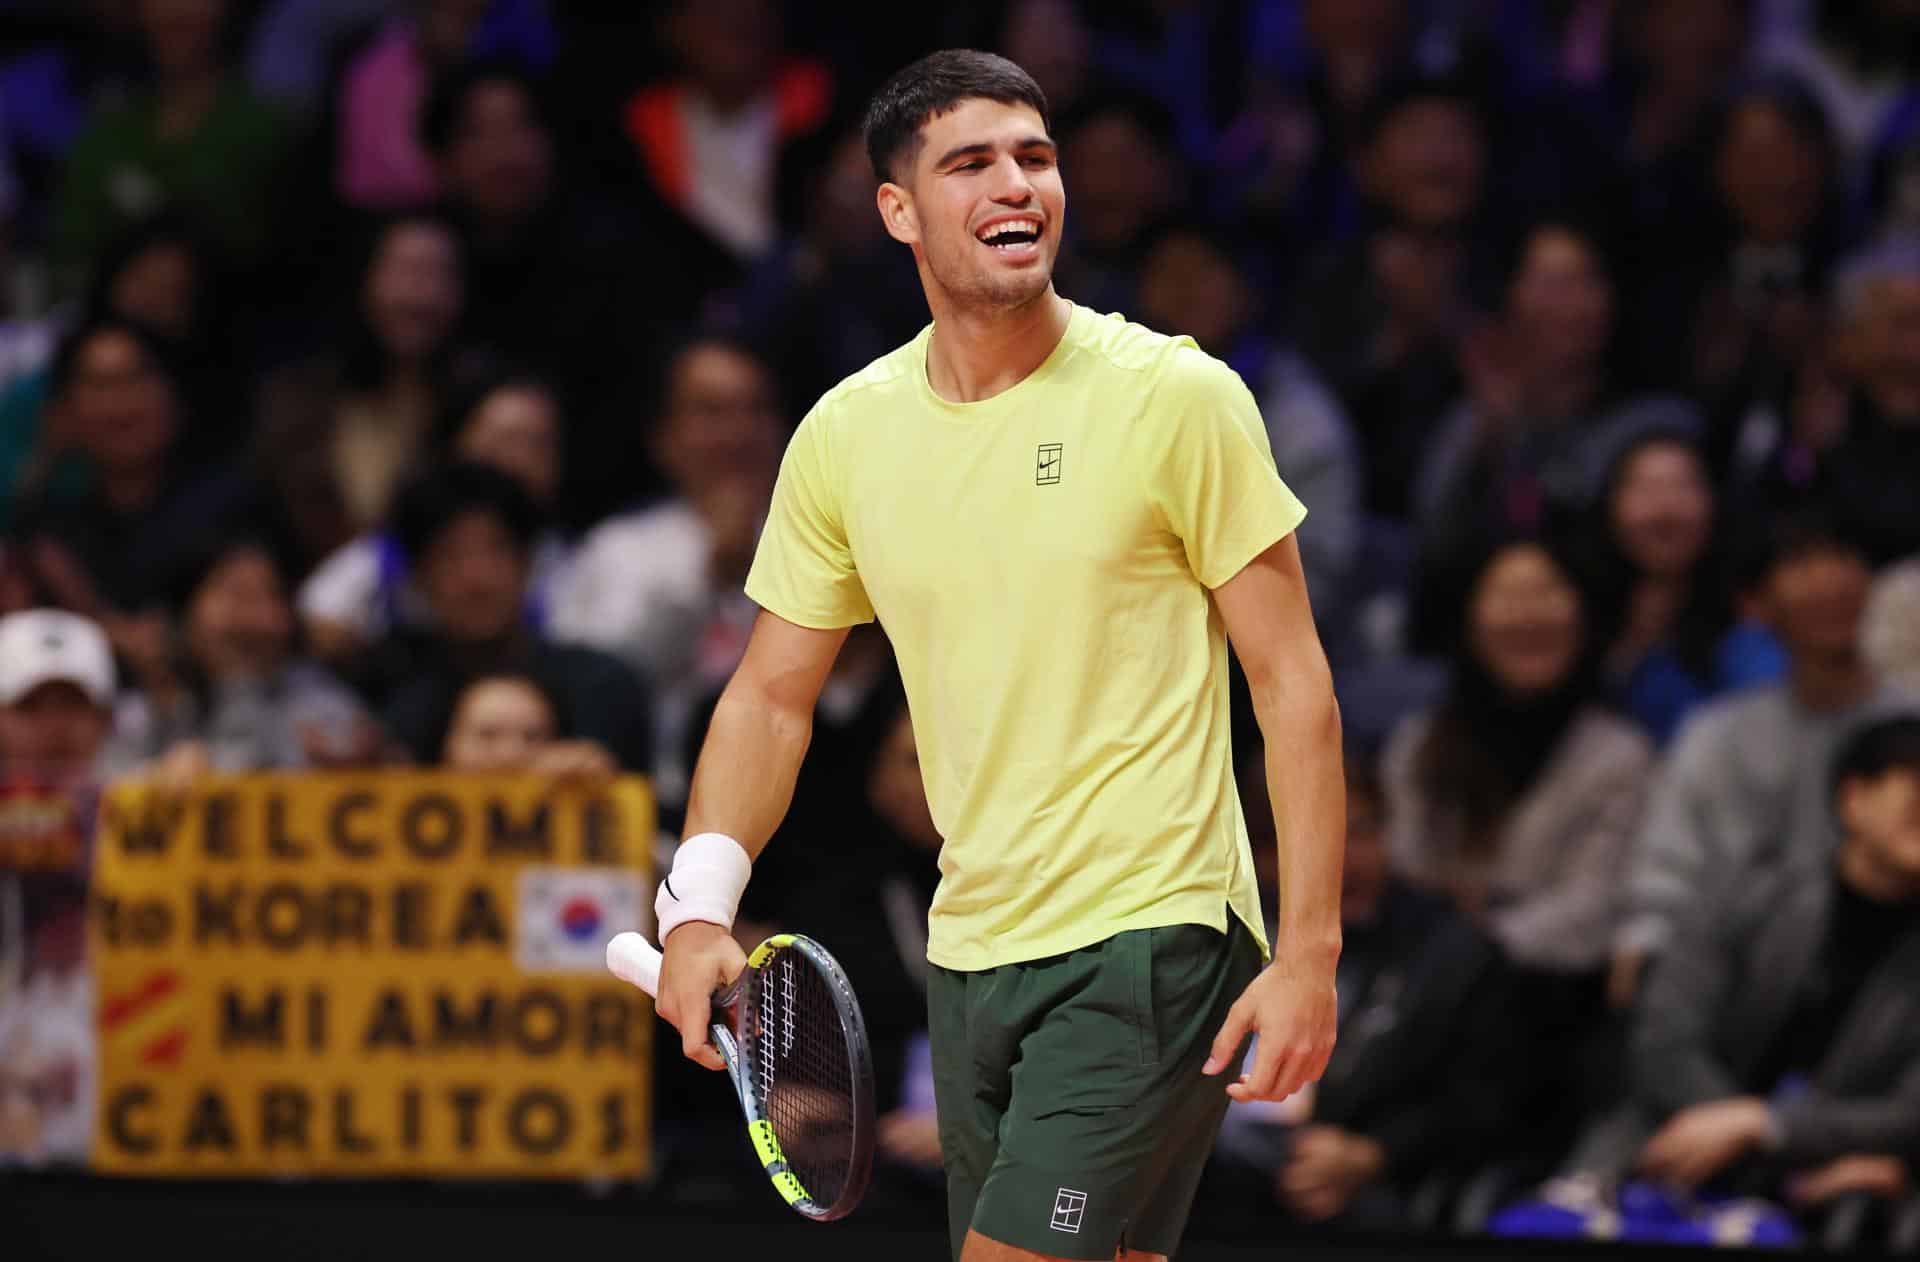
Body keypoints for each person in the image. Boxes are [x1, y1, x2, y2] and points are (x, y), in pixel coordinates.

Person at [640, 51, 1344, 1262]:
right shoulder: (847, 434)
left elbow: (1293, 682)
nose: (1019, 183)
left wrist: (1310, 952)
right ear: (899, 210)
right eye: (973, 162)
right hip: (972, 953)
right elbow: (769, 694)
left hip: (1154, 933)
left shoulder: (1177, 396)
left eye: (1036, 155)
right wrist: (701, 904)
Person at [1529, 714, 1920, 1239]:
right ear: (1854, 798)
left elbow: (1908, 1112)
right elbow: (1663, 1043)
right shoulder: (1744, 895)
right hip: (1659, 1152)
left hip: (1820, 1197)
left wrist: (1768, 1130)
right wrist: (1744, 1129)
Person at [1206, 746, 1516, 1233]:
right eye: (1309, 839)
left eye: (1361, 831)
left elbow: (1486, 1103)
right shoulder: (1216, 941)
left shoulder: (1448, 949)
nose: (1340, 860)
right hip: (1214, 1173)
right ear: (1257, 854)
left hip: (1362, 1181)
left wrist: (1375, 1153)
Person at [1611, 513, 1908, 1008]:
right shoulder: (1717, 735)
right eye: (1801, 563)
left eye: (1843, 558)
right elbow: (1667, 868)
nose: (1829, 580)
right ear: (1755, 604)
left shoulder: (1910, 723)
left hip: (1885, 984)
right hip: (1737, 984)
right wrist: (1645, 942)